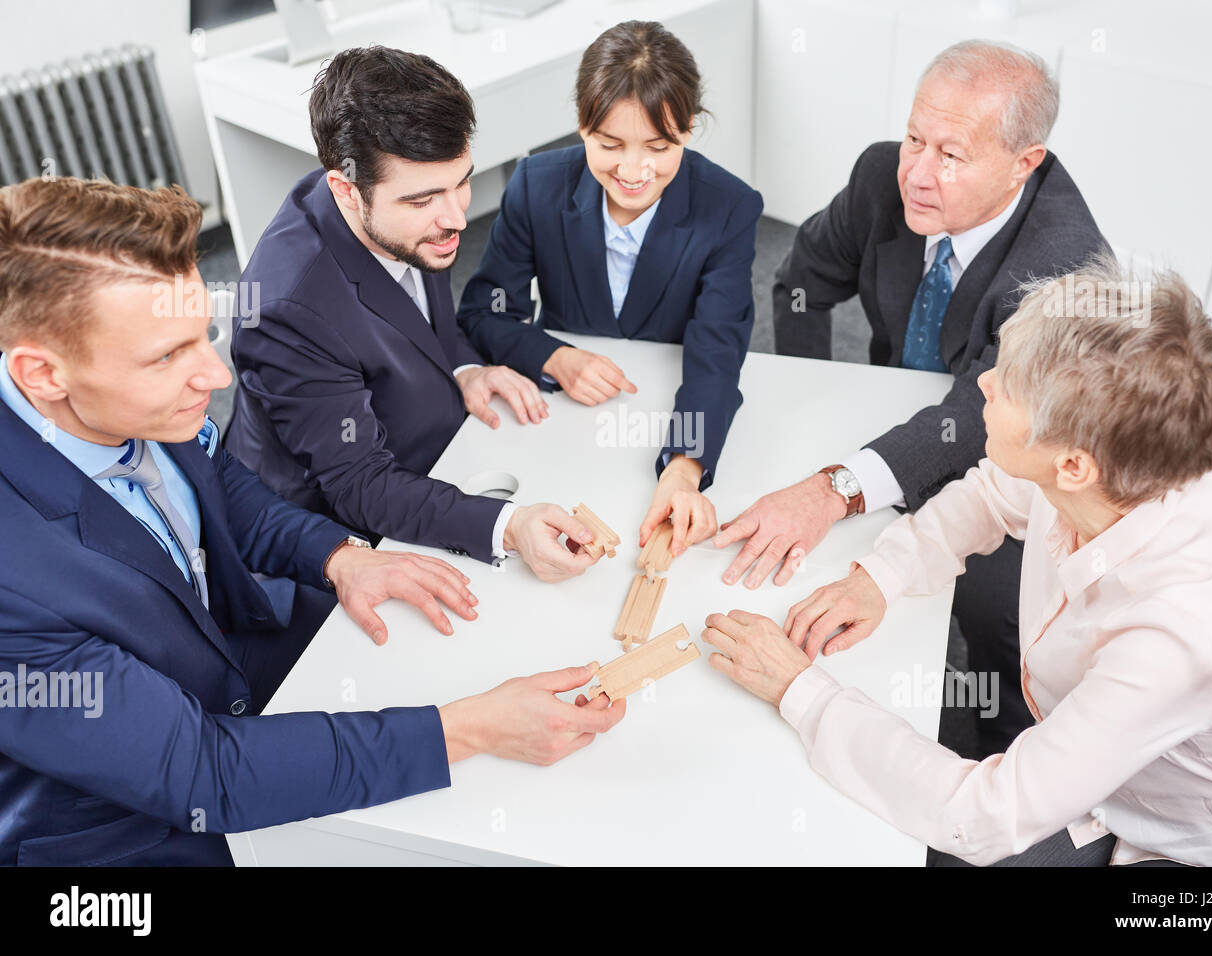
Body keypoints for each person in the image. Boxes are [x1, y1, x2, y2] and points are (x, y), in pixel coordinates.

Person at [0, 177, 624, 867]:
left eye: (202, 335)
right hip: (127, 833)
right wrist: (466, 730)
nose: (214, 376)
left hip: (222, 669)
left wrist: (338, 556)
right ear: (43, 374)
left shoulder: (126, 394)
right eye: (168, 357)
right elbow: (208, 773)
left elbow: (221, 486)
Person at [704, 260, 1212, 867]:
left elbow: (980, 818)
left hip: (1197, 844)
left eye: (1008, 384)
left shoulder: (1180, 635)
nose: (983, 384)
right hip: (1108, 758)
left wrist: (801, 691)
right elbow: (992, 493)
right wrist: (884, 576)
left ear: (1072, 466)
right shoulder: (1121, 465)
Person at [714, 40, 1107, 759]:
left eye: (950, 155)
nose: (916, 175)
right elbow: (801, 281)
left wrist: (833, 488)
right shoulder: (881, 175)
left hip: (1019, 467)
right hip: (902, 416)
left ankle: (1005, 738)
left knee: (997, 617)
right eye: (914, 138)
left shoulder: (1063, 267)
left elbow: (974, 421)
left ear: (1026, 162)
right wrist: (818, 398)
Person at [225, 46, 596, 584]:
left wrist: (466, 367)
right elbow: (359, 485)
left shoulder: (402, 213)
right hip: (335, 531)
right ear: (345, 191)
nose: (456, 218)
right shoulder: (286, 312)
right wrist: (508, 527)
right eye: (424, 199)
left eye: (462, 181)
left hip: (433, 446)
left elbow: (419, 320)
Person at [457, 20, 764, 559]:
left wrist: (684, 467)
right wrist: (554, 356)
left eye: (658, 146)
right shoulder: (535, 186)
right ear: (582, 125)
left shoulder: (729, 207)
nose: (633, 170)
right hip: (559, 422)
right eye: (610, 144)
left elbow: (716, 353)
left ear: (688, 130)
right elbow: (484, 312)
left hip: (666, 405)